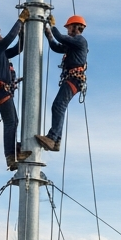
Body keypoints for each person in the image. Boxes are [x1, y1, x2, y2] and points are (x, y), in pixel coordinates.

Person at [0, 9, 31, 170]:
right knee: (11, 123)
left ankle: (14, 152)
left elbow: (19, 48)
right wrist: (20, 21)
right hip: (2, 91)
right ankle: (10, 156)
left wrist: (22, 32)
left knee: (13, 121)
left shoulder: (0, 53)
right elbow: (9, 38)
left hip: (4, 91)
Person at [34, 15, 88, 152]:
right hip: (73, 79)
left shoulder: (80, 40)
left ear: (76, 27)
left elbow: (61, 38)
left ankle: (52, 138)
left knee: (58, 105)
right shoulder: (72, 44)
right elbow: (56, 47)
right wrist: (48, 35)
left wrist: (52, 26)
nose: (68, 30)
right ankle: (56, 141)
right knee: (59, 106)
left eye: (69, 27)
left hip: (74, 78)